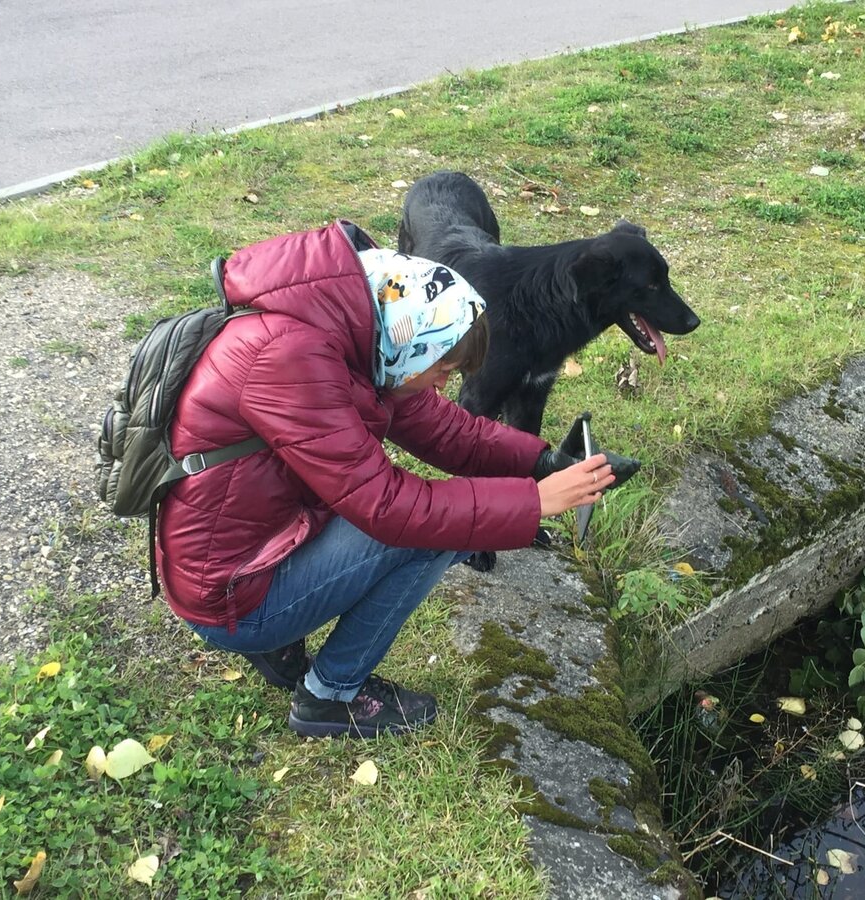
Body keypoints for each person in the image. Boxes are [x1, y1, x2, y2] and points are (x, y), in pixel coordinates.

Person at [156, 220, 619, 739]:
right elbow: (389, 508)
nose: (449, 382)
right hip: (232, 595)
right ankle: (330, 698)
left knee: (449, 515)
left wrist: (540, 462)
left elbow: (447, 430)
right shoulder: (291, 359)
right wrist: (532, 503)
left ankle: (282, 641)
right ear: (413, 341)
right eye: (444, 366)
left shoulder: (364, 333)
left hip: (264, 544)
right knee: (435, 531)